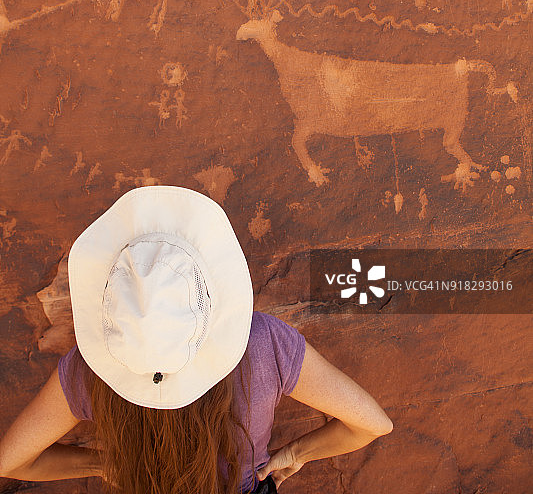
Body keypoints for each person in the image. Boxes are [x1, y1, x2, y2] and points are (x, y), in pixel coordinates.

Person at [0, 186, 393, 493]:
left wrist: (105, 463)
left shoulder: (86, 370)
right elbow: (371, 424)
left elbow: (12, 463)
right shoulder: (265, 343)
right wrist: (294, 453)